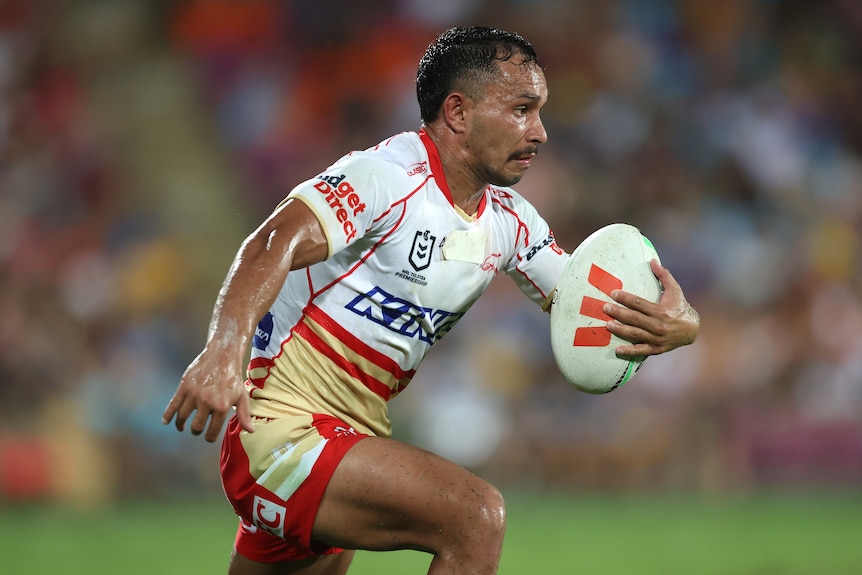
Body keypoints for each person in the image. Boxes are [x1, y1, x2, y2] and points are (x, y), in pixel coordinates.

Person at [162, 26, 700, 575]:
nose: (538, 132)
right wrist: (224, 348)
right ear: (459, 112)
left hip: (350, 439)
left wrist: (680, 326)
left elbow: (592, 310)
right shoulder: (385, 177)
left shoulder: (509, 221)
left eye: (539, 113)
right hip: (281, 434)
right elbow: (273, 240)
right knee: (476, 516)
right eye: (521, 108)